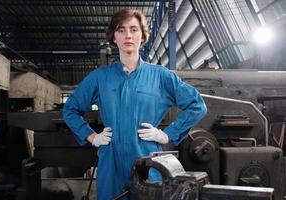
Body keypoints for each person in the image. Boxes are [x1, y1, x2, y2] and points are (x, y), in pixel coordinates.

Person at [62, 8, 207, 200]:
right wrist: (91, 136)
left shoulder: (161, 76)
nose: (128, 35)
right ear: (114, 37)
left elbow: (197, 105)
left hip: (147, 162)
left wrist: (167, 135)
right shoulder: (100, 78)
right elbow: (70, 109)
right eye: (121, 30)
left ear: (142, 35)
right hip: (110, 163)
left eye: (133, 29)